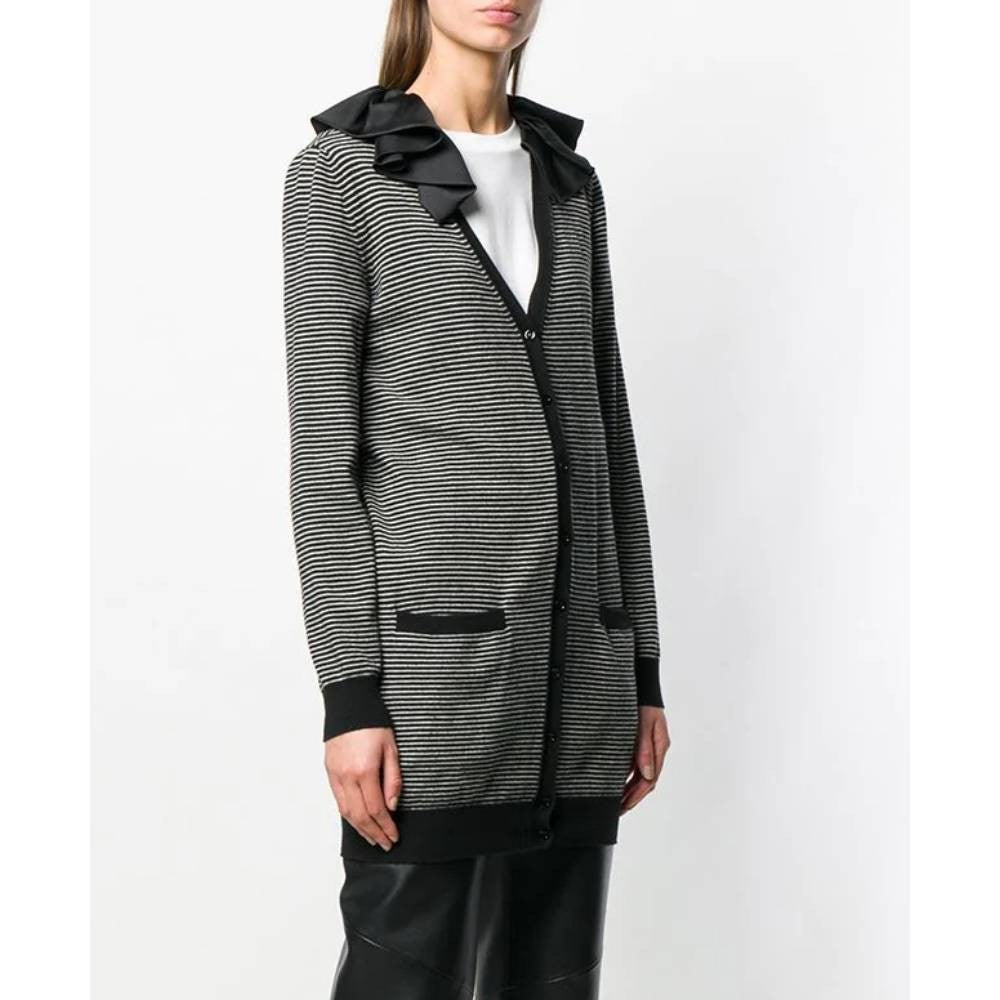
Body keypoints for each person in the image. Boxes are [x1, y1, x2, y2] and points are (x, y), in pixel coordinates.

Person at [281, 1, 671, 996]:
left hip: (579, 690)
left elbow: (609, 434)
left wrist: (641, 670)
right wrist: (350, 694)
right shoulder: (341, 176)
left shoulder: (570, 184)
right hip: (433, 697)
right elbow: (325, 460)